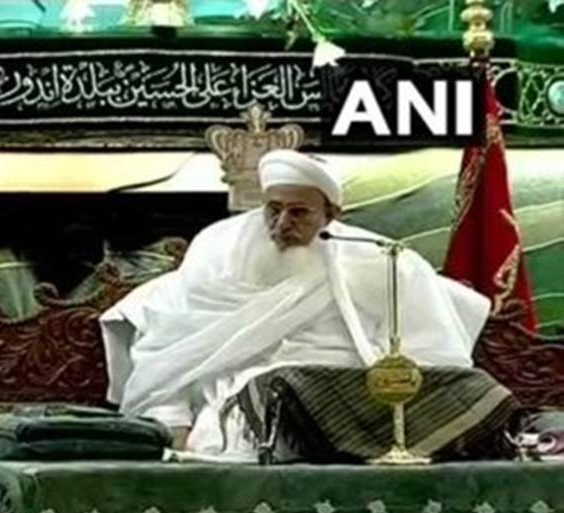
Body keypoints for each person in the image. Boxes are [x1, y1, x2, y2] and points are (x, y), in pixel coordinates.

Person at [100, 149, 490, 459]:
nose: (282, 223)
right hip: (242, 405)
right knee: (230, 437)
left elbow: (431, 352)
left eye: (299, 212)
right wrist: (173, 426)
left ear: (331, 214)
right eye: (273, 209)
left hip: (346, 405)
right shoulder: (219, 251)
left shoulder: (376, 260)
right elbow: (171, 347)